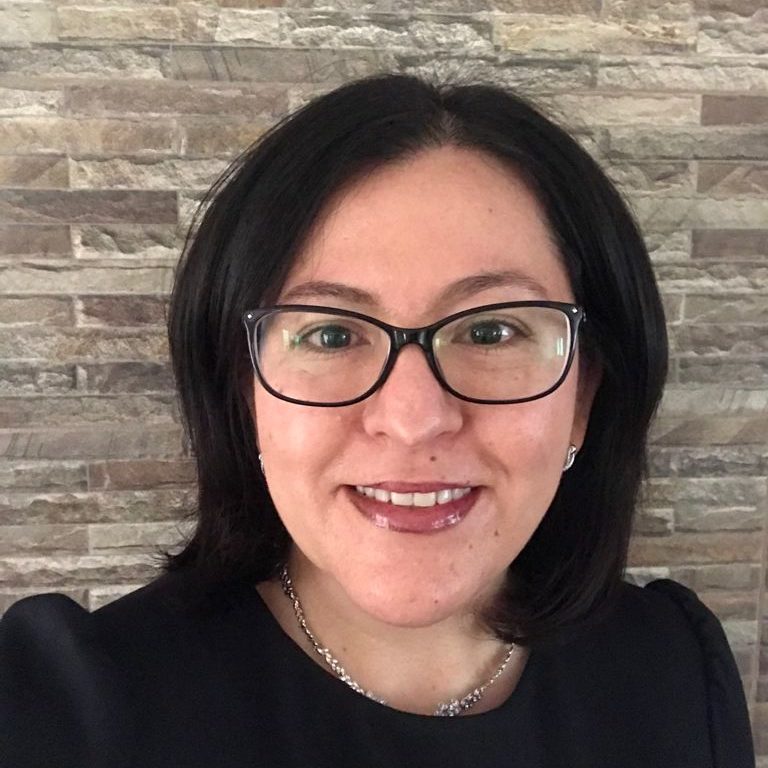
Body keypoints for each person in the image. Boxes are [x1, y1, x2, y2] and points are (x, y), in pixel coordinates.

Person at [0, 73, 755, 768]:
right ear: (244, 391)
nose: (414, 419)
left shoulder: (676, 670)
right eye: (331, 335)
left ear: (583, 396)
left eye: (490, 331)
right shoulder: (68, 710)